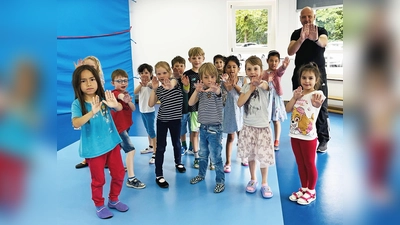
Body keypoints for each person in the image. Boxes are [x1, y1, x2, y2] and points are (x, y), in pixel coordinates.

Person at [71, 65, 128, 219]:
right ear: (78, 84)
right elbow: (76, 123)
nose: (89, 84)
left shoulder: (103, 98)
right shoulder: (77, 104)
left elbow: (119, 109)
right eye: (83, 81)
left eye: (92, 79)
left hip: (111, 144)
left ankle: (114, 200)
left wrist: (114, 104)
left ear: (98, 81)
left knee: (118, 174)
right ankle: (99, 205)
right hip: (94, 149)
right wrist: (92, 112)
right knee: (99, 179)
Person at [287, 6, 330, 153]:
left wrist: (315, 38)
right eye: (304, 17)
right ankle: (300, 133)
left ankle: (323, 140)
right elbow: (290, 50)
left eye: (309, 17)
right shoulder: (296, 33)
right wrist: (301, 39)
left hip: (317, 77)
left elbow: (324, 42)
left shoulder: (321, 31)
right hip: (300, 76)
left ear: (314, 17)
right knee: (299, 104)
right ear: (300, 19)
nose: (307, 20)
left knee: (320, 106)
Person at [285, 62, 326, 205]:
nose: (307, 81)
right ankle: (304, 188)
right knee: (300, 163)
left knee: (309, 163)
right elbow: (288, 109)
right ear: (300, 79)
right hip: (294, 135)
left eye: (310, 78)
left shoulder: (318, 94)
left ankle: (312, 191)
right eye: (304, 78)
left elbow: (318, 104)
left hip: (308, 137)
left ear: (316, 80)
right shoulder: (298, 93)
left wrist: (316, 105)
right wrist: (295, 97)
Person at [237, 56, 274, 199]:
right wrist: (250, 88)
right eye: (249, 69)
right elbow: (240, 103)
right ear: (246, 71)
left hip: (262, 127)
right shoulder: (246, 87)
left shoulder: (265, 84)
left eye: (255, 69)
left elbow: (266, 86)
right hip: (249, 127)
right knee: (251, 155)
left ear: (261, 70)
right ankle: (253, 179)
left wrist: (258, 84)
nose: (252, 72)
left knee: (263, 156)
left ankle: (264, 183)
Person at [188, 63, 225, 193]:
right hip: (203, 128)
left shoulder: (217, 90)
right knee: (203, 155)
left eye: (212, 77)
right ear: (201, 79)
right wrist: (197, 91)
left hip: (215, 129)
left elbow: (220, 93)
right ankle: (201, 175)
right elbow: (190, 103)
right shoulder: (201, 92)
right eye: (206, 77)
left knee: (216, 157)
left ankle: (220, 181)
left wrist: (216, 90)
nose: (210, 80)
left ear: (216, 77)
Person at [149, 61, 186, 188]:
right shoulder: (158, 89)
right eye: (159, 74)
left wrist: (170, 85)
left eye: (164, 72)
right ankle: (159, 174)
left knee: (176, 142)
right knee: (161, 147)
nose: (162, 76)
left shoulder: (176, 83)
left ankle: (178, 162)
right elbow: (150, 104)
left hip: (175, 119)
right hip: (162, 120)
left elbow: (173, 83)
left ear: (169, 72)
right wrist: (154, 89)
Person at [110, 69, 146, 189]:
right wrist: (122, 97)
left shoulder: (126, 94)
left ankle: (114, 168)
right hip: (119, 128)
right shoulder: (114, 93)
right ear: (112, 83)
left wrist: (129, 101)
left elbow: (133, 109)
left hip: (126, 125)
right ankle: (131, 178)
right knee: (130, 150)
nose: (123, 83)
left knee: (118, 148)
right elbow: (118, 95)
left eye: (125, 80)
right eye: (119, 81)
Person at [74, 56, 105, 169]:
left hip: (97, 107)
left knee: (99, 133)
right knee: (87, 133)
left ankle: (104, 156)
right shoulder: (82, 80)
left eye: (92, 66)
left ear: (97, 68)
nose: (88, 68)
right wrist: (78, 72)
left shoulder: (98, 80)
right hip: (85, 108)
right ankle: (87, 158)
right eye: (86, 66)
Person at [261, 50, 290, 150]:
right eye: (271, 60)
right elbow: (261, 83)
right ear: (267, 61)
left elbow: (281, 71)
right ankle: (267, 139)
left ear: (278, 62)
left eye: (276, 61)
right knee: (266, 120)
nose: (273, 63)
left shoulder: (277, 72)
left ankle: (276, 140)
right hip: (266, 99)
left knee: (276, 120)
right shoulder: (263, 73)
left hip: (275, 99)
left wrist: (284, 66)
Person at [220, 55, 244, 173]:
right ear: (225, 69)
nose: (231, 69)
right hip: (229, 111)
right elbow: (227, 90)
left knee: (242, 136)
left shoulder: (243, 80)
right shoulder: (223, 82)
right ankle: (228, 162)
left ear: (238, 68)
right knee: (230, 137)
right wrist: (226, 82)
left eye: (234, 67)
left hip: (240, 111)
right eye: (228, 67)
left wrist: (234, 84)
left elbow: (243, 92)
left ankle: (244, 156)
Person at [184, 47, 205, 169]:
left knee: (206, 133)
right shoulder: (187, 74)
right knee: (195, 132)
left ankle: (207, 155)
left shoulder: (206, 73)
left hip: (206, 108)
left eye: (199, 57)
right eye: (194, 58)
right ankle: (197, 156)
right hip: (194, 109)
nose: (196, 60)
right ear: (189, 59)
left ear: (203, 58)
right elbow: (185, 91)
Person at [134, 63, 157, 164]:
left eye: (146, 72)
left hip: (149, 111)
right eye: (142, 73)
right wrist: (141, 84)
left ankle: (155, 153)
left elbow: (153, 87)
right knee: (148, 130)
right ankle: (151, 147)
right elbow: (135, 92)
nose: (144, 74)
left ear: (151, 73)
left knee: (152, 132)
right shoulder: (141, 84)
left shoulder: (152, 83)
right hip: (142, 110)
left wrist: (147, 83)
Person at [171, 56, 191, 156]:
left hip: (190, 109)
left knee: (193, 129)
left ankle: (192, 145)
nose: (179, 68)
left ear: (185, 66)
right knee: (181, 130)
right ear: (172, 68)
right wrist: (173, 76)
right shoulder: (172, 80)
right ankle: (183, 145)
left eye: (181, 66)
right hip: (179, 111)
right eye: (176, 66)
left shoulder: (187, 77)